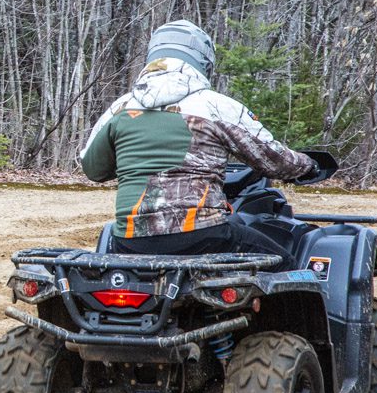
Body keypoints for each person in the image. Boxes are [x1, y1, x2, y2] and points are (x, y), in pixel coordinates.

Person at [78, 19, 317, 257]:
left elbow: (93, 168)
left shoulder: (120, 108)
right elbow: (273, 159)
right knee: (285, 265)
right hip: (200, 236)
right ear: (204, 62)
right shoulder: (216, 106)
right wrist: (309, 166)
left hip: (128, 241)